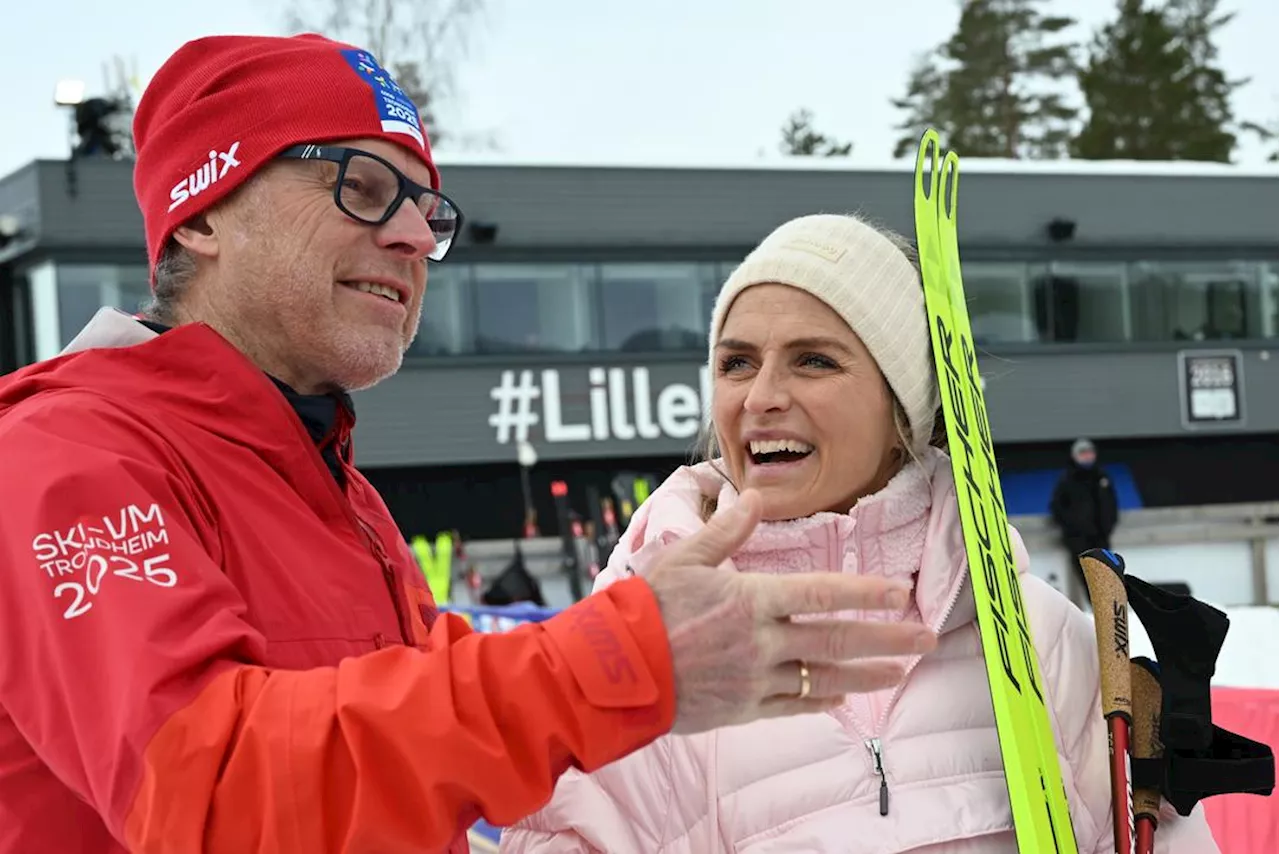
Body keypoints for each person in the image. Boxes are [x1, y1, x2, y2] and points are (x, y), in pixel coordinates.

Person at [0, 36, 936, 854]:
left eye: (424, 210)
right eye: (360, 189)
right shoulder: (67, 455)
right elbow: (207, 788)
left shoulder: (334, 492)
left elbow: (415, 761)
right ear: (202, 214)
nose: (414, 235)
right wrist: (616, 665)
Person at [500, 214, 1220, 853]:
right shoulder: (637, 661)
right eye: (736, 362)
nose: (762, 397)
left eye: (814, 360)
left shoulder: (1043, 643)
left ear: (901, 411)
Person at [1050, 438, 1120, 605]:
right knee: (1086, 578)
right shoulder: (1067, 480)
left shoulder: (1102, 477)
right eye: (1083, 453)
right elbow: (1057, 507)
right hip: (1078, 540)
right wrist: (1073, 528)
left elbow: (1111, 504)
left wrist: (1107, 526)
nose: (1087, 457)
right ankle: (1094, 611)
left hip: (1101, 537)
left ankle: (1108, 611)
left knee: (1105, 575)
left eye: (1090, 453)